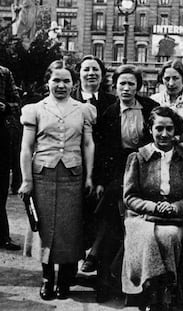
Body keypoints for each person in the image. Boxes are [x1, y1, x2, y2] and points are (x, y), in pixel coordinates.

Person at [18, 60, 96, 300]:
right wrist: (26, 180)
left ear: (73, 84)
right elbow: (26, 147)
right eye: (56, 80)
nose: (61, 85)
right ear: (47, 82)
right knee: (44, 228)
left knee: (69, 230)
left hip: (73, 177)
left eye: (66, 81)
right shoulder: (35, 109)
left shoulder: (83, 109)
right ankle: (47, 278)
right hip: (43, 176)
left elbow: (87, 144)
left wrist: (90, 176)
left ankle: (64, 280)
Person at [94, 64, 158, 302]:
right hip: (117, 169)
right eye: (122, 83)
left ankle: (98, 258)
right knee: (112, 214)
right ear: (115, 86)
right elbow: (101, 151)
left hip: (145, 167)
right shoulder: (110, 112)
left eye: (131, 83)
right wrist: (100, 180)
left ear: (138, 86)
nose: (126, 88)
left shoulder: (150, 107)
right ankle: (104, 279)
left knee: (124, 212)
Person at [122, 106, 183, 311]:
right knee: (148, 237)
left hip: (174, 218)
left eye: (169, 129)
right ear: (150, 129)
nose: (164, 134)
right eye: (159, 128)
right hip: (142, 217)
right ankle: (155, 293)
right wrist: (154, 207)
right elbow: (129, 197)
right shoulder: (137, 157)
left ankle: (164, 292)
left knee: (170, 235)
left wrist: (175, 207)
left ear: (176, 131)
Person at [71, 55, 116, 273]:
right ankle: (71, 264)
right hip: (71, 168)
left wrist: (100, 179)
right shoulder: (68, 98)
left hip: (100, 171)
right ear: (79, 74)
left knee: (103, 212)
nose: (91, 74)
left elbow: (110, 146)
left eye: (96, 70)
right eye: (86, 69)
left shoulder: (111, 102)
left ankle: (95, 259)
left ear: (102, 75)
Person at [0, 65, 21, 251]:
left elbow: (17, 102)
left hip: (1, 135)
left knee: (0, 189)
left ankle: (3, 236)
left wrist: (6, 106)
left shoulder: (4, 73)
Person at [150, 59, 183, 123]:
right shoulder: (154, 100)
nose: (171, 83)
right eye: (167, 79)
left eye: (175, 78)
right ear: (162, 79)